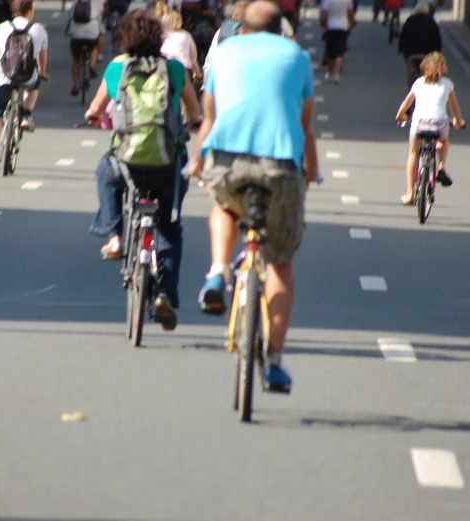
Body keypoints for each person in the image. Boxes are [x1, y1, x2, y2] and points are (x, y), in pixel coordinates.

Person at [190, 0, 318, 392]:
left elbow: (209, 117)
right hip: (280, 165)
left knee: (225, 205)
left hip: (229, 160)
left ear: (240, 27)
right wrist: (311, 171)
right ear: (282, 27)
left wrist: (198, 161)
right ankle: (274, 361)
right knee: (280, 265)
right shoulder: (296, 57)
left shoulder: (226, 53)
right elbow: (305, 123)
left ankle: (217, 272)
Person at [84, 9, 202, 331]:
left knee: (103, 172)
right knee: (169, 228)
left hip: (127, 165)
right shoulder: (175, 70)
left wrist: (95, 117)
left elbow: (94, 109)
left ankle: (115, 235)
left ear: (124, 39)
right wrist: (192, 122)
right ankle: (165, 293)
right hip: (168, 165)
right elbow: (194, 112)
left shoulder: (117, 68)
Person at [395, 52, 464, 205]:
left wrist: (400, 116)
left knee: (414, 152)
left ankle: (410, 193)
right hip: (439, 124)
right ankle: (441, 166)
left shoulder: (419, 83)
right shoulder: (447, 84)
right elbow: (454, 108)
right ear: (443, 68)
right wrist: (459, 121)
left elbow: (407, 103)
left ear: (424, 68)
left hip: (419, 123)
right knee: (443, 141)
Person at [0, 0, 49, 161]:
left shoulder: (1, 28)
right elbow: (42, 56)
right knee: (34, 85)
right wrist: (42, 71)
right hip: (27, 74)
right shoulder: (38, 29)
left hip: (3, 75)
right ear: (29, 11)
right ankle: (27, 115)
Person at [203, 0, 294, 81]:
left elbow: (209, 64)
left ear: (234, 17)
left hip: (220, 79)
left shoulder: (223, 31)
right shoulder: (267, 36)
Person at [398, 2, 441, 91]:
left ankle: (409, 100)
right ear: (427, 11)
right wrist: (436, 54)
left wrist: (401, 49)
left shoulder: (410, 20)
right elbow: (437, 40)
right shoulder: (431, 22)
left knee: (410, 80)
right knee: (430, 80)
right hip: (428, 56)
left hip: (412, 55)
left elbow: (403, 37)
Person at [156, 1, 201, 82]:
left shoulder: (161, 35)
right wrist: (198, 73)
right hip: (184, 69)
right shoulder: (186, 35)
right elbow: (193, 58)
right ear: (180, 22)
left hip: (165, 68)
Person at [68, 0, 106, 96]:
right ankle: (92, 66)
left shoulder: (75, 3)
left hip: (76, 35)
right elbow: (100, 17)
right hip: (91, 35)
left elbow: (71, 16)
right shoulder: (96, 3)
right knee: (93, 47)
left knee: (76, 59)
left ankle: (75, 86)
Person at [319, 0, 353, 84]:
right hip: (343, 26)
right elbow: (350, 13)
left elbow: (326, 16)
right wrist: (352, 23)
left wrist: (325, 27)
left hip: (331, 26)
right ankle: (337, 74)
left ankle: (330, 73)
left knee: (331, 52)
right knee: (340, 52)